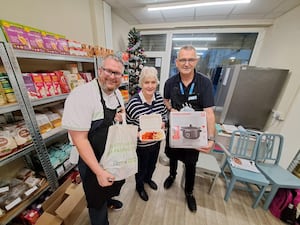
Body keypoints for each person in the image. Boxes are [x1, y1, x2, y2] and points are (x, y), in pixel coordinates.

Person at [62, 55, 126, 225]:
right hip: (91, 157)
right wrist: (99, 171)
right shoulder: (81, 96)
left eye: (117, 73)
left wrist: (119, 117)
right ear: (100, 71)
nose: (112, 76)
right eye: (108, 71)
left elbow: (118, 112)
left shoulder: (117, 92)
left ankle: (109, 200)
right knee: (96, 197)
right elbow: (80, 139)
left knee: (112, 183)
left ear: (122, 76)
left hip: (111, 152)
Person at [163, 45, 216, 213]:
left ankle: (189, 192)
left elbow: (209, 113)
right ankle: (172, 175)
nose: (187, 63)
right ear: (177, 62)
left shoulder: (204, 83)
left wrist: (211, 139)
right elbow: (165, 101)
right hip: (176, 131)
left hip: (195, 133)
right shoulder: (170, 83)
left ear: (196, 61)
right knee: (172, 155)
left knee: (191, 163)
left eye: (190, 59)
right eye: (183, 60)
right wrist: (171, 110)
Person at [126, 66, 168, 201]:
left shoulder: (159, 99)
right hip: (141, 145)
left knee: (152, 165)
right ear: (141, 84)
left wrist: (163, 124)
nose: (150, 86)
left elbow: (164, 116)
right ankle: (139, 187)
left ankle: (148, 179)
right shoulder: (133, 103)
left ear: (157, 83)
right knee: (141, 168)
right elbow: (128, 126)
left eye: (153, 82)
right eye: (146, 82)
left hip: (156, 141)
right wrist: (136, 134)